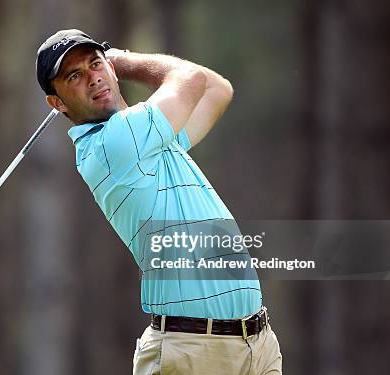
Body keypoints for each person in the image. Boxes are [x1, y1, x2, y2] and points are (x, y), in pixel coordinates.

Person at [36, 29, 282, 374]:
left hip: (256, 344)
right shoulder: (114, 145)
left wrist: (109, 63)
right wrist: (121, 60)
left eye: (95, 64)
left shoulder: (150, 140)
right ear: (57, 102)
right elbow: (191, 79)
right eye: (75, 76)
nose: (93, 78)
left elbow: (217, 89)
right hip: (192, 350)